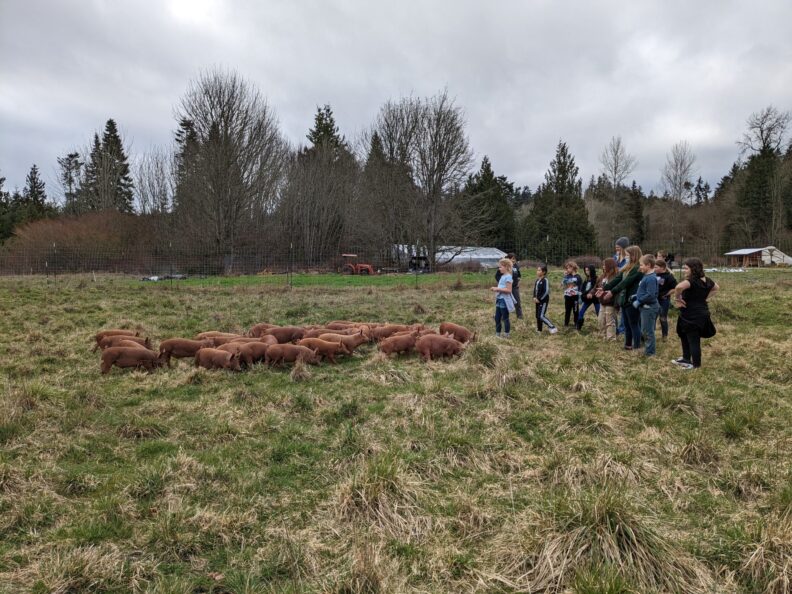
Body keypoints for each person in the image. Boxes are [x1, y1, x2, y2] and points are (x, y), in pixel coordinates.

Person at [672, 257, 719, 369]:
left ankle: (696, 365)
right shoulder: (707, 280)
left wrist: (677, 297)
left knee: (693, 339)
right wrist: (704, 298)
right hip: (695, 313)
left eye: (686, 268)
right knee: (683, 334)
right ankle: (686, 358)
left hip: (692, 315)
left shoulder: (691, 281)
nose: (684, 270)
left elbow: (678, 287)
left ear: (693, 269)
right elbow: (716, 288)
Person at [601, 245, 643, 350]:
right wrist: (604, 288)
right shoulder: (627, 267)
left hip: (632, 299)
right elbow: (618, 279)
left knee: (634, 324)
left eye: (628, 255)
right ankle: (628, 345)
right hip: (624, 299)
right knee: (626, 324)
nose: (626, 258)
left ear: (634, 255)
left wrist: (612, 292)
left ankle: (637, 347)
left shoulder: (637, 268)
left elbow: (625, 282)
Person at [632, 254, 660, 356]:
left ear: (648, 265)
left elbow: (651, 294)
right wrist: (636, 296)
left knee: (648, 331)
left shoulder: (651, 278)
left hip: (649, 308)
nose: (640, 267)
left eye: (641, 265)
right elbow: (646, 291)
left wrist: (639, 301)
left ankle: (650, 353)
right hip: (645, 307)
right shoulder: (647, 276)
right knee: (645, 329)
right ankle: (648, 350)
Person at [491, 258, 515, 338]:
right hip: (499, 300)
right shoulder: (502, 276)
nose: (499, 268)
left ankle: (506, 334)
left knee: (505, 318)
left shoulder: (508, 277)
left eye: (501, 267)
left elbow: (509, 290)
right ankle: (497, 334)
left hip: (504, 301)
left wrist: (497, 288)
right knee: (497, 317)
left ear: (506, 267)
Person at [654, 259, 678, 341]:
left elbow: (675, 288)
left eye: (656, 267)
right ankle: (651, 334)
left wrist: (666, 294)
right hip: (653, 300)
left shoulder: (669, 276)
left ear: (663, 267)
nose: (654, 268)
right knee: (653, 317)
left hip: (663, 300)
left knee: (662, 317)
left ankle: (665, 336)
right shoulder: (654, 275)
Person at [595, 258, 618, 340]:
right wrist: (594, 292)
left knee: (609, 321)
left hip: (611, 302)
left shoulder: (615, 277)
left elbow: (615, 289)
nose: (603, 266)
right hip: (602, 302)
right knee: (600, 320)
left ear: (609, 266)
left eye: (605, 265)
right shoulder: (602, 276)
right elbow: (597, 286)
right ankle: (603, 335)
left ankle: (611, 338)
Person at [533, 265, 558, 334]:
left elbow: (546, 291)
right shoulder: (537, 280)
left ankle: (552, 327)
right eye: (537, 270)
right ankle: (539, 330)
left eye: (539, 270)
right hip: (537, 301)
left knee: (541, 316)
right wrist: (534, 297)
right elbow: (535, 290)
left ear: (543, 272)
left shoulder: (545, 280)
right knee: (537, 316)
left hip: (543, 301)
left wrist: (540, 299)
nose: (537, 271)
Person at [613, 237, 630, 335]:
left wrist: (618, 270)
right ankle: (615, 327)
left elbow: (624, 269)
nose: (617, 249)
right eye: (616, 247)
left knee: (622, 306)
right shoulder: (615, 257)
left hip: (623, 283)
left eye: (619, 247)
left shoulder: (628, 258)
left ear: (624, 247)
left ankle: (622, 328)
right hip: (615, 282)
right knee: (615, 306)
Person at [576, 264, 600, 330]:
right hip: (587, 299)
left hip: (595, 298)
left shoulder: (597, 278)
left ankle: (602, 328)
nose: (587, 272)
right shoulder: (586, 279)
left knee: (599, 313)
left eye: (588, 270)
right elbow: (582, 288)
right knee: (581, 312)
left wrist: (589, 293)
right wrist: (583, 294)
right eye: (585, 270)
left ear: (592, 270)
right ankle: (578, 327)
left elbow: (595, 288)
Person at [562, 261, 583, 328]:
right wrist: (565, 276)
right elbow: (563, 284)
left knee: (575, 310)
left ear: (572, 268)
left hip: (575, 297)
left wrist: (580, 297)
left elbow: (580, 287)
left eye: (568, 268)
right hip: (567, 296)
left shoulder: (578, 277)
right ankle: (566, 324)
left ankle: (576, 324)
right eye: (566, 268)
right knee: (567, 310)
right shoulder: (567, 276)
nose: (567, 270)